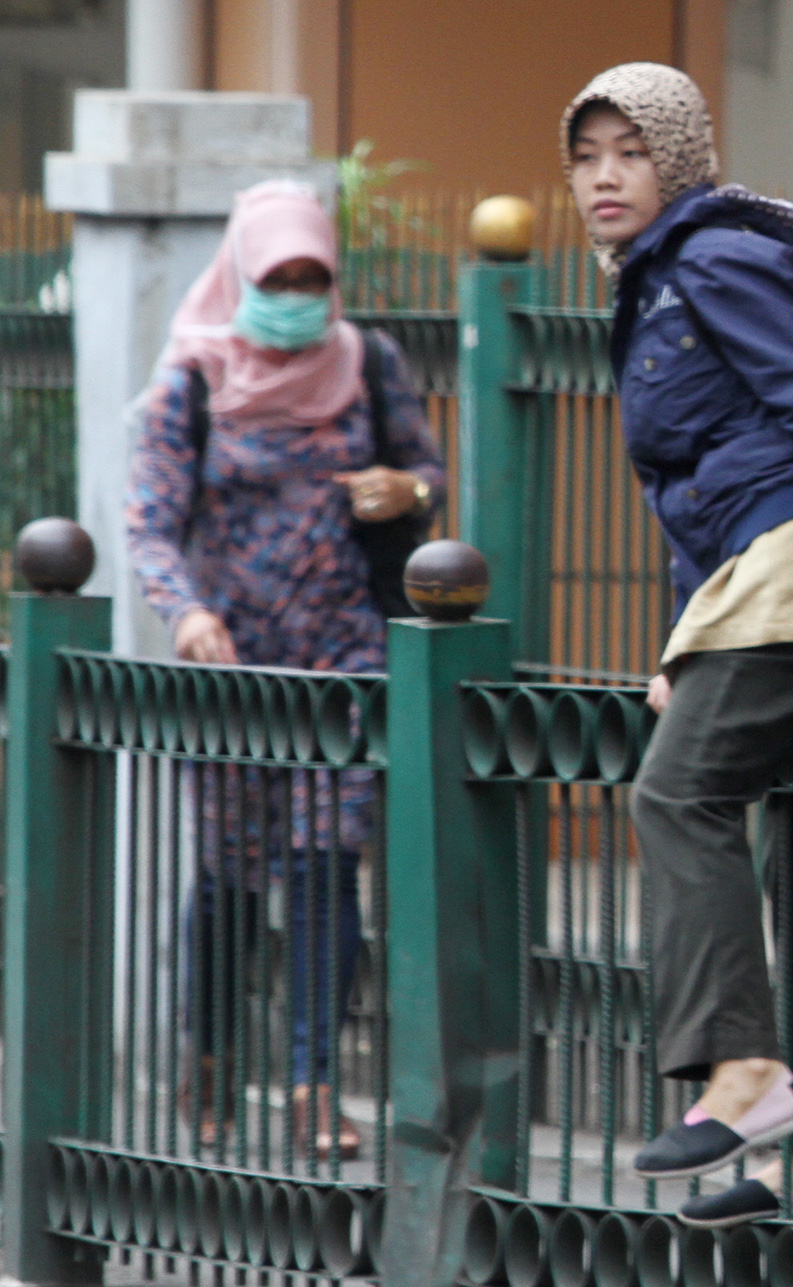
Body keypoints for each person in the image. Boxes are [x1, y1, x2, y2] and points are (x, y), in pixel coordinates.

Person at [559, 63, 793, 1227]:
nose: (603, 177)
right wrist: (684, 643)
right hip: (754, 573)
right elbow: (689, 483)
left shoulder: (712, 255)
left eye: (629, 150)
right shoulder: (654, 276)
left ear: (675, 156)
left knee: (677, 796)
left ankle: (745, 1073)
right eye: (584, 156)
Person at [127, 180, 446, 1159]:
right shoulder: (193, 377)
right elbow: (147, 522)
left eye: (315, 276)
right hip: (231, 665)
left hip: (341, 656)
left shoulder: (368, 362)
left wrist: (407, 489)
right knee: (228, 877)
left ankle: (313, 1087)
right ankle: (210, 1062)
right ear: (243, 275)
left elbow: (427, 476)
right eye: (279, 277)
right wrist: (184, 614)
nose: (299, 294)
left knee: (322, 868)